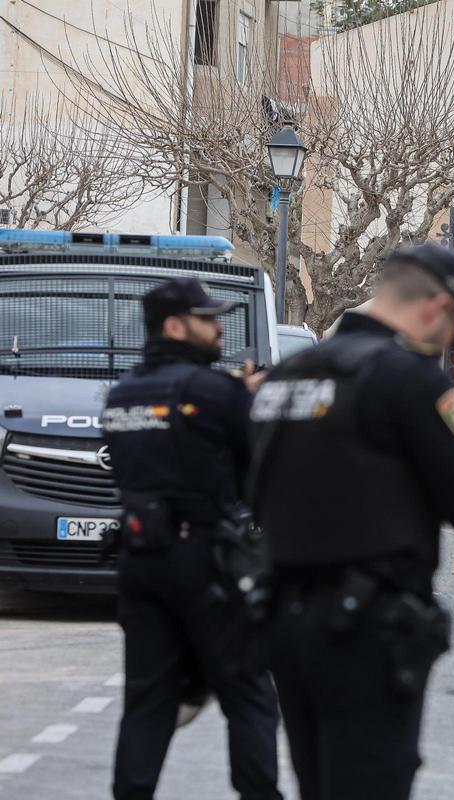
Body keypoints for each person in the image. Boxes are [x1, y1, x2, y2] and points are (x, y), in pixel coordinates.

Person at [247, 244, 454, 800]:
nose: (444, 351)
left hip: (285, 622)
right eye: (451, 334)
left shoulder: (287, 377)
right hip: (367, 630)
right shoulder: (405, 378)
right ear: (436, 307)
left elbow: (253, 488)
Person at [101, 278, 282, 800]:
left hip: (139, 562)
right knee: (249, 695)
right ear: (176, 326)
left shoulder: (122, 394)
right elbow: (255, 470)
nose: (220, 325)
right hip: (206, 563)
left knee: (148, 702)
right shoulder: (212, 390)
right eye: (208, 318)